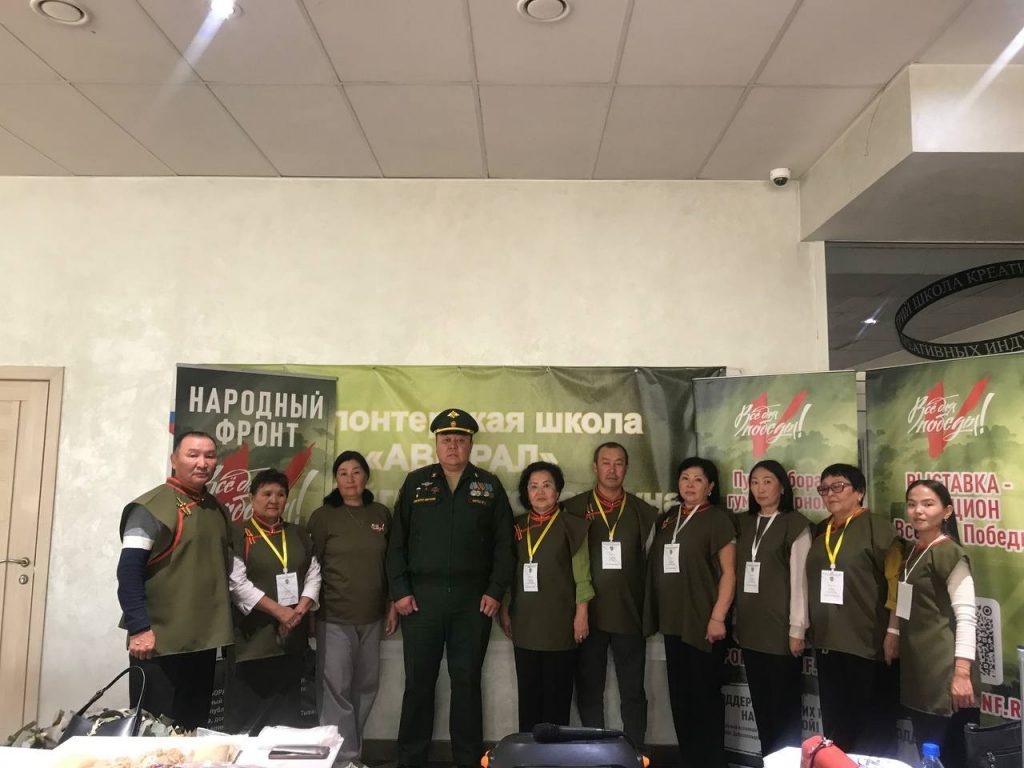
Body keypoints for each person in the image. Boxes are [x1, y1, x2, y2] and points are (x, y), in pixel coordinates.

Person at [386, 409, 516, 768]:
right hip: (420, 601)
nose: (453, 446)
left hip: (473, 602)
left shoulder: (488, 485)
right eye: (447, 440)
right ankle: (411, 760)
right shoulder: (416, 483)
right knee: (418, 684)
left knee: (467, 683)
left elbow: (504, 544)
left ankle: (468, 760)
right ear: (436, 444)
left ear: (471, 444)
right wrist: (400, 591)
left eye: (460, 440)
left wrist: (495, 590)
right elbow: (396, 543)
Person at [116, 429, 233, 730]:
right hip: (159, 643)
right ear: (174, 459)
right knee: (153, 730)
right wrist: (139, 628)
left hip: (203, 642)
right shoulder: (151, 508)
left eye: (209, 456)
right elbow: (128, 571)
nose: (202, 463)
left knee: (193, 729)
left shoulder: (216, 509)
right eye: (193, 455)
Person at [564, 441, 658, 749]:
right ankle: (595, 752)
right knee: (589, 690)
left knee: (633, 692)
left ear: (626, 468)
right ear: (595, 467)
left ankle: (635, 752)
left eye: (619, 463)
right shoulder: (574, 509)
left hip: (630, 614)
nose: (612, 469)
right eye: (606, 462)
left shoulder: (644, 512)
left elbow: (652, 569)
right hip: (587, 616)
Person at [307, 451, 397, 768]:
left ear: (366, 476)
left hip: (372, 616)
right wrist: (310, 613)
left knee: (366, 687)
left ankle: (351, 753)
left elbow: (391, 564)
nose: (350, 479)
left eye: (356, 472)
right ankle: (341, 759)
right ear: (336, 479)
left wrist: (391, 605)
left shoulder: (381, 514)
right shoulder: (323, 517)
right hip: (334, 617)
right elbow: (312, 567)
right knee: (336, 690)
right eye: (343, 473)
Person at [645, 456, 737, 768]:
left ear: (710, 487)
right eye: (685, 478)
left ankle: (712, 762)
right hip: (673, 623)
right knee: (681, 699)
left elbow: (729, 573)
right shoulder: (670, 518)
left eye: (698, 479)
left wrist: (718, 617)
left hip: (703, 623)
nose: (690, 484)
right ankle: (691, 760)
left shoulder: (718, 519)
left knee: (704, 698)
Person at [805, 463, 901, 756]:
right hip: (828, 641)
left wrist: (894, 629)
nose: (830, 494)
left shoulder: (877, 527)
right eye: (824, 489)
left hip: (867, 641)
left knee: (872, 725)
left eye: (838, 486)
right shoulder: (821, 530)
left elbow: (897, 581)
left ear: (859, 492)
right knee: (837, 724)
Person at [886, 479, 979, 768]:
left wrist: (961, 673)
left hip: (944, 672)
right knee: (927, 749)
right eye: (912, 504)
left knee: (949, 755)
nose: (918, 511)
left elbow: (967, 615)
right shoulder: (915, 551)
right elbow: (904, 600)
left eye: (928, 504)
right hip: (918, 669)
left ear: (947, 511)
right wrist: (894, 632)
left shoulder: (949, 553)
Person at [500, 461, 593, 732]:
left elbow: (582, 576)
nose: (540, 492)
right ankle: (529, 752)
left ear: (558, 491)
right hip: (525, 623)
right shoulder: (516, 527)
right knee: (528, 697)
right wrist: (505, 608)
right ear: (526, 493)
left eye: (547, 486)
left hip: (560, 625)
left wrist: (582, 614)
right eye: (533, 487)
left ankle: (554, 753)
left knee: (557, 698)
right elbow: (508, 572)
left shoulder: (572, 526)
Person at [225, 468, 321, 734]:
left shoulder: (298, 534)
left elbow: (314, 574)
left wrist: (298, 612)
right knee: (247, 718)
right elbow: (237, 584)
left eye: (280, 494)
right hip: (252, 640)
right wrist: (280, 612)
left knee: (286, 715)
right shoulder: (238, 534)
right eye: (266, 493)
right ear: (251, 497)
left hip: (292, 639)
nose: (273, 500)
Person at [732, 460, 811, 759]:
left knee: (785, 709)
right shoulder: (742, 523)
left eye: (767, 481)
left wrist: (797, 628)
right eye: (754, 482)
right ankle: (768, 759)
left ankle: (787, 763)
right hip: (751, 630)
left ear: (782, 486)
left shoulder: (795, 524)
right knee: (762, 706)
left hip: (781, 631)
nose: (760, 489)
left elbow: (800, 579)